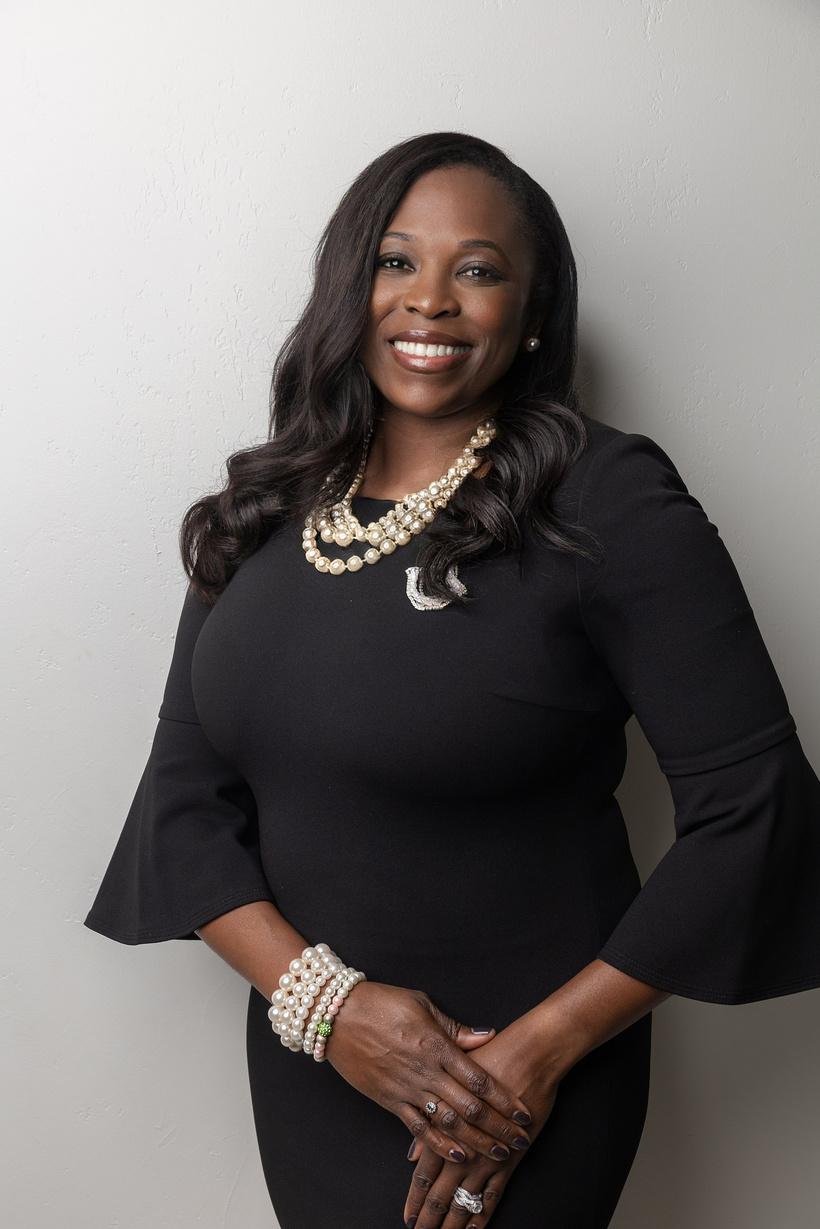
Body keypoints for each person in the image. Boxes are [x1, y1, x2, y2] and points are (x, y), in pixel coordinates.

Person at [84, 131, 820, 1228]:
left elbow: (755, 807)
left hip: (516, 1086)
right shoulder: (269, 505)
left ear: (532, 313)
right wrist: (330, 1010)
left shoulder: (605, 498)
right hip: (315, 1061)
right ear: (350, 286)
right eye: (396, 261)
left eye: (477, 269)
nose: (429, 299)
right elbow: (185, 803)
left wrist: (532, 1057)